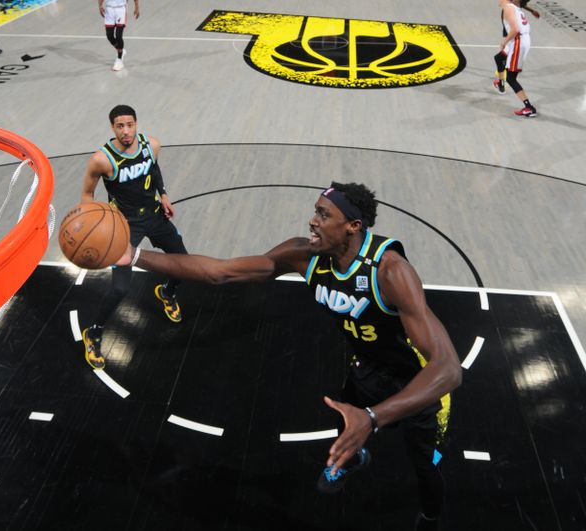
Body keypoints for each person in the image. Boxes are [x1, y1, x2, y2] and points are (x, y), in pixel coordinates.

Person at [117, 182, 462, 530]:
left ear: (353, 227)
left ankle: (430, 518)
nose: (312, 221)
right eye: (315, 211)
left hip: (420, 384)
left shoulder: (390, 271)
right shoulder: (304, 255)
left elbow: (447, 368)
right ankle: (352, 457)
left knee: (424, 467)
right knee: (342, 418)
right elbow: (221, 273)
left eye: (323, 215)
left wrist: (373, 418)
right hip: (368, 368)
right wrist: (134, 256)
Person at [80, 104, 189, 370]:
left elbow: (154, 169)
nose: (126, 131)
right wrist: (94, 226)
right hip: (124, 227)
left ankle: (166, 292)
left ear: (136, 124)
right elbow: (86, 196)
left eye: (130, 125)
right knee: (120, 288)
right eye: (120, 126)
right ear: (112, 128)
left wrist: (163, 195)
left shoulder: (151, 145)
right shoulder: (102, 160)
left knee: (184, 264)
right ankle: (93, 332)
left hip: (154, 216)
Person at [493, 0, 537, 117]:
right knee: (499, 58)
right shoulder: (513, 6)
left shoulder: (508, 8)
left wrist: (504, 42)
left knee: (511, 78)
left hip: (517, 40)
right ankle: (500, 83)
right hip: (519, 39)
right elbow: (522, 4)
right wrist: (532, 10)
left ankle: (529, 107)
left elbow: (515, 29)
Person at [98, 0, 138, 71]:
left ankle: (119, 60)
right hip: (109, 9)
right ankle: (120, 50)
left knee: (118, 35)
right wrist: (100, 6)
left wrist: (136, 7)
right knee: (109, 36)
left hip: (121, 9)